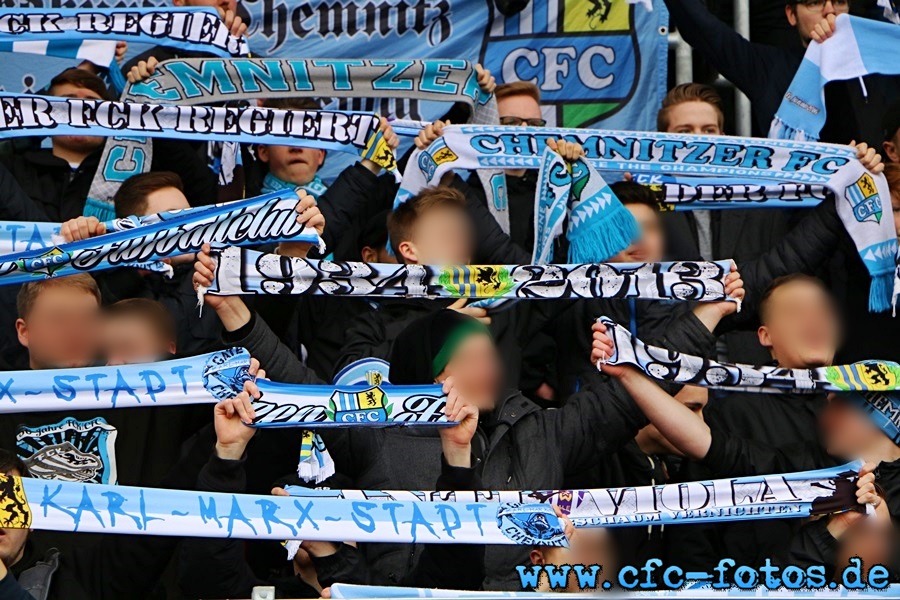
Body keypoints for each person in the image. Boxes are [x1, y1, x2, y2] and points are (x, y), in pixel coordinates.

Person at [591, 318, 900, 578]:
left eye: (837, 406)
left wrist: (879, 533)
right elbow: (709, 445)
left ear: (874, 416)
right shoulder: (803, 463)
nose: (823, 416)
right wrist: (629, 375)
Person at [664, 0, 900, 145]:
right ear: (791, 15)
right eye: (814, 3)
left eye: (839, 2)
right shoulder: (769, 68)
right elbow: (702, 28)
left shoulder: (880, 68)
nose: (830, 12)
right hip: (793, 217)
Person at [0, 69, 217, 223]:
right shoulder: (14, 166)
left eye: (93, 105)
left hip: (117, 285)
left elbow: (202, 191)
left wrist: (145, 107)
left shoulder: (139, 169)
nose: (81, 112)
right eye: (68, 102)